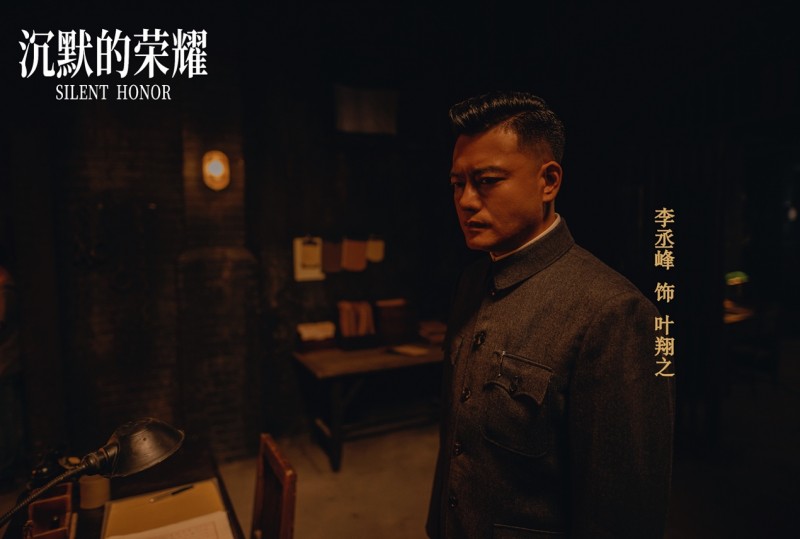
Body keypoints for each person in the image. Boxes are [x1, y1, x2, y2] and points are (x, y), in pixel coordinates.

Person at [426, 91, 674, 538]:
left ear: (549, 181)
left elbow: (623, 510)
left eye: (487, 180)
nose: (465, 200)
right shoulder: (472, 281)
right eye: (457, 184)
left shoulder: (614, 312)